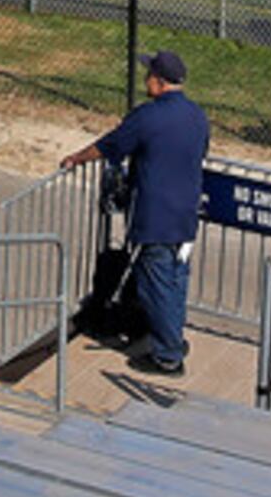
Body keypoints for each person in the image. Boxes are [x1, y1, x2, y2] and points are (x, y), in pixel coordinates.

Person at [60, 51, 211, 376]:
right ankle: (174, 337)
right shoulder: (198, 116)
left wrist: (76, 158)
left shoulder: (148, 116)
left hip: (156, 217)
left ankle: (169, 355)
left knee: (154, 284)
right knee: (176, 278)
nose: (145, 81)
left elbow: (111, 145)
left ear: (158, 81)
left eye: (148, 76)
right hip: (186, 215)